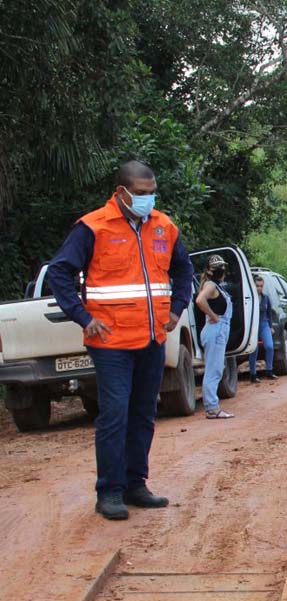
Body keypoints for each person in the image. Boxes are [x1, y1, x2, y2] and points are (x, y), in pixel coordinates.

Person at [47, 160, 194, 520]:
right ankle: (109, 491)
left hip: (151, 338)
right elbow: (59, 272)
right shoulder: (93, 226)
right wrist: (83, 317)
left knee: (144, 414)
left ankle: (135, 484)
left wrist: (177, 309)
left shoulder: (163, 226)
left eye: (152, 192)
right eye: (141, 193)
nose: (148, 199)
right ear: (121, 193)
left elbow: (183, 269)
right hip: (110, 342)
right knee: (114, 414)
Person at [195, 255, 235, 419]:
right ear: (209, 270)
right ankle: (212, 407)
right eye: (217, 267)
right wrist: (213, 315)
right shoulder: (211, 285)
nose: (221, 270)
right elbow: (200, 300)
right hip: (215, 329)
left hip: (218, 329)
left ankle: (212, 406)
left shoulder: (217, 286)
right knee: (214, 370)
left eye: (222, 266)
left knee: (216, 368)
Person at [248, 275, 277, 383]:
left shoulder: (265, 298)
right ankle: (253, 374)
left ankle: (269, 370)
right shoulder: (250, 298)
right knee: (253, 350)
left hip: (264, 324)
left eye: (261, 286)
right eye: (257, 286)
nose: (259, 288)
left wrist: (270, 326)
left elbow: (269, 313)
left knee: (269, 346)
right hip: (253, 326)